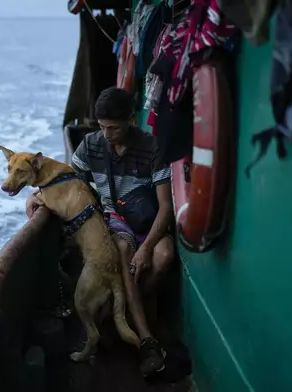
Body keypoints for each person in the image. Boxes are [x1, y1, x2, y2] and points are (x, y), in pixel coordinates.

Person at [25, 87, 175, 375]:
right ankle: (147, 340)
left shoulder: (152, 148)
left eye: (114, 128)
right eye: (102, 127)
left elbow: (166, 208)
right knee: (122, 250)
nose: (106, 134)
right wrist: (36, 195)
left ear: (131, 120)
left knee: (164, 255)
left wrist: (147, 248)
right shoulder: (91, 145)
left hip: (147, 222)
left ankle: (128, 308)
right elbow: (67, 182)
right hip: (115, 219)